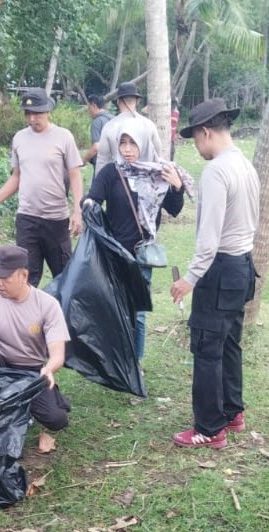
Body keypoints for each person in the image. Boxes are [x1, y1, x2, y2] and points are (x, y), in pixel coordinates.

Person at [170, 98, 259, 449]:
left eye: (195, 139)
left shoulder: (217, 171)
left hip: (220, 269)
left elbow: (208, 239)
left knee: (207, 348)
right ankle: (232, 411)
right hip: (242, 266)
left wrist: (189, 279)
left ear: (206, 132)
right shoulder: (244, 164)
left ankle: (209, 427)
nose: (197, 148)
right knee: (229, 342)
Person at [0, 245, 72, 454]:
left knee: (56, 419)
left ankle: (35, 406)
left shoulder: (47, 305)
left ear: (24, 275)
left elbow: (57, 354)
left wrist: (49, 369)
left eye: (5, 278)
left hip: (31, 372)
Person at [85, 121, 186, 360]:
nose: (127, 149)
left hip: (142, 255)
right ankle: (115, 358)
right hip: (115, 254)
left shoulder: (157, 173)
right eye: (123, 142)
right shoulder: (112, 172)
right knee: (115, 308)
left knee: (138, 313)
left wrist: (177, 187)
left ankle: (135, 363)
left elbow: (174, 209)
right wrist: (87, 206)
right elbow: (93, 198)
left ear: (144, 144)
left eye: (133, 143)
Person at [0, 88, 84, 287]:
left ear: (48, 111)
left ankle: (65, 317)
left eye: (37, 113)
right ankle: (29, 318)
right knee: (26, 277)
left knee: (64, 275)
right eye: (28, 114)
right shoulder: (19, 138)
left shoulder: (63, 137)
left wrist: (77, 211)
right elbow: (16, 177)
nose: (32, 119)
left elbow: (75, 175)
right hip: (27, 218)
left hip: (56, 219)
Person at [95, 82, 163, 170]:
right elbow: (158, 155)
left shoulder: (109, 126)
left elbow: (102, 160)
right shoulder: (149, 125)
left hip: (118, 179)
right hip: (146, 179)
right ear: (137, 101)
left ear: (118, 101)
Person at [83, 94, 113, 173]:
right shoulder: (113, 119)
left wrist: (84, 161)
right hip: (114, 163)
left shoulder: (97, 122)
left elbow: (96, 147)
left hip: (101, 165)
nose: (89, 111)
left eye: (89, 108)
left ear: (94, 106)